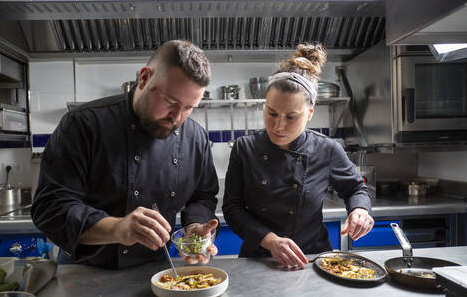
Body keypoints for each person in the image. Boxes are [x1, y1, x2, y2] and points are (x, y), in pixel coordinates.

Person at [32, 40, 219, 269]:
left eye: (190, 107)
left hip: (155, 268)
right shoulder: (84, 125)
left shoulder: (195, 138)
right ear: (144, 78)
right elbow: (50, 206)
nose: (177, 117)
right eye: (170, 102)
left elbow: (202, 195)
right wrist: (117, 228)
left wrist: (196, 227)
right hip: (83, 269)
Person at [222, 43, 374, 269]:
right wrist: (270, 240)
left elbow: (355, 188)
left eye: (291, 117)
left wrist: (360, 210)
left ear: (310, 114)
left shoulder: (327, 149)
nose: (278, 125)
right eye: (271, 113)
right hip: (258, 259)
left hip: (313, 260)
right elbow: (232, 208)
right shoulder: (246, 148)